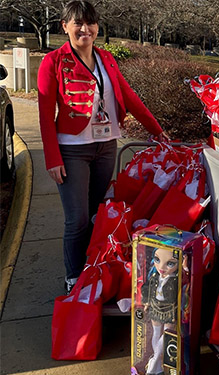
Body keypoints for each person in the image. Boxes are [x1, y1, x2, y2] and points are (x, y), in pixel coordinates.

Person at [37, 0, 167, 294]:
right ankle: (73, 279)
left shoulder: (106, 58)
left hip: (106, 146)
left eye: (90, 23)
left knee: (99, 215)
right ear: (65, 26)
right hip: (72, 150)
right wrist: (51, 158)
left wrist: (156, 130)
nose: (85, 29)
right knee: (77, 219)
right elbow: (45, 114)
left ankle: (93, 270)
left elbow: (129, 96)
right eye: (78, 23)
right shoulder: (53, 62)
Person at [141, 247, 179, 375]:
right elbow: (146, 288)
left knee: (167, 334)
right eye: (157, 259)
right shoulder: (154, 275)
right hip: (155, 306)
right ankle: (157, 366)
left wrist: (185, 267)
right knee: (156, 333)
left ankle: (154, 362)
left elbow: (185, 288)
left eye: (170, 263)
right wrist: (146, 301)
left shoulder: (176, 278)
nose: (161, 267)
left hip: (169, 309)